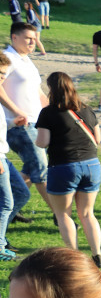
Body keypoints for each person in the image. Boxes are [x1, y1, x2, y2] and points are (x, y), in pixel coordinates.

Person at [35, 72, 101, 267]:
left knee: (64, 214)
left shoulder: (48, 113)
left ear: (51, 89)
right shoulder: (87, 110)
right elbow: (97, 139)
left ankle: (75, 258)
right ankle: (97, 255)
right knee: (88, 213)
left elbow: (43, 142)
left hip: (63, 166)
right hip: (92, 165)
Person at [0, 23, 49, 214]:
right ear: (14, 38)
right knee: (41, 167)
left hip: (36, 123)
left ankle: (13, 205)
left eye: (35, 38)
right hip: (18, 124)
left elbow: (39, 93)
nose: (33, 41)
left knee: (30, 167)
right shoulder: (7, 58)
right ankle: (61, 215)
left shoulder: (28, 62)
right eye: (28, 37)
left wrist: (55, 113)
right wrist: (16, 111)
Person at [0, 53, 30, 262]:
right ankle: (0, 247)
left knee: (21, 193)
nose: (2, 78)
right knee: (6, 202)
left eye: (4, 75)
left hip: (3, 153)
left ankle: (1, 238)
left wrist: (12, 123)